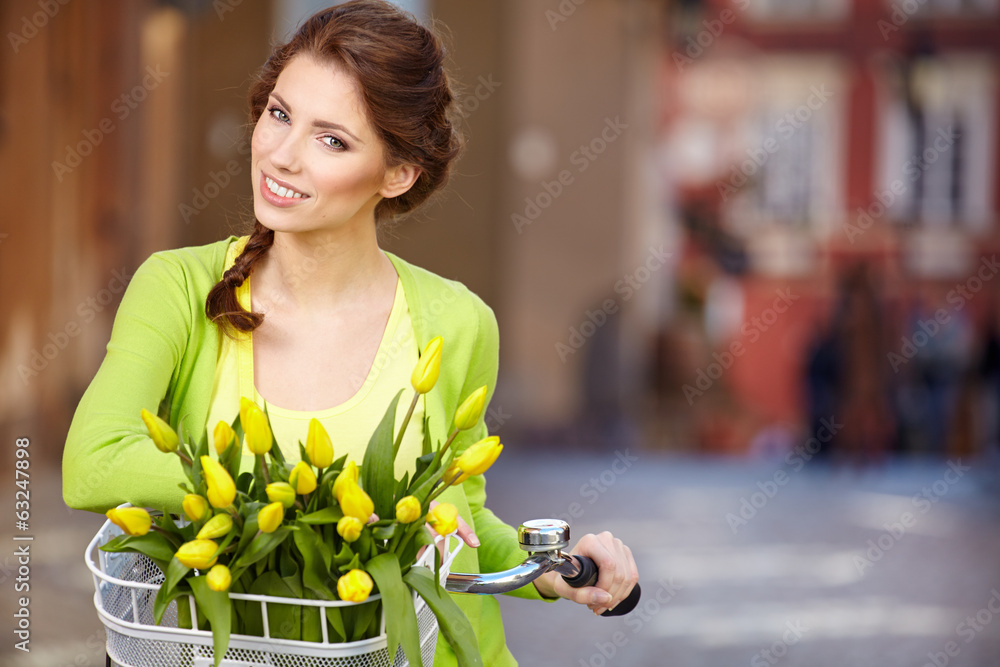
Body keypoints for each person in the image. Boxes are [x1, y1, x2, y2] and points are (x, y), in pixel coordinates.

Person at [61, 2, 638, 665]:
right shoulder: (178, 287)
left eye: (330, 139)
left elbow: (459, 524)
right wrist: (313, 496)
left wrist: (552, 569)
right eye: (280, 114)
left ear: (397, 173)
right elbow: (93, 461)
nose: (281, 155)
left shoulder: (456, 320)